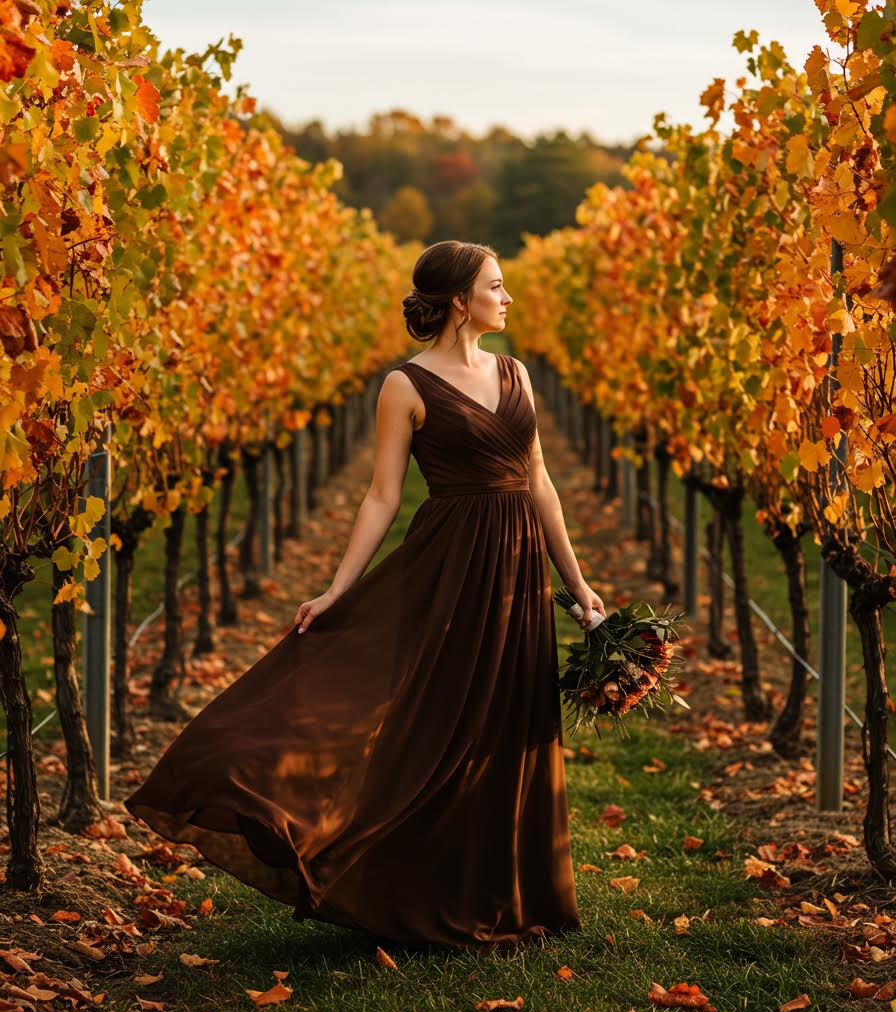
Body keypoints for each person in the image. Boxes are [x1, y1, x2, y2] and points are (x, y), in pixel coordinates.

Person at [124, 240, 606, 951]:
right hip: (448, 565)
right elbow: (381, 496)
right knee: (439, 725)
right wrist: (337, 588)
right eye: (495, 287)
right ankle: (407, 885)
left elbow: (538, 483)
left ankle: (512, 892)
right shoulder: (404, 386)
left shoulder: (517, 374)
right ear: (457, 302)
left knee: (509, 723)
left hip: (516, 568)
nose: (507, 299)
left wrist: (577, 581)